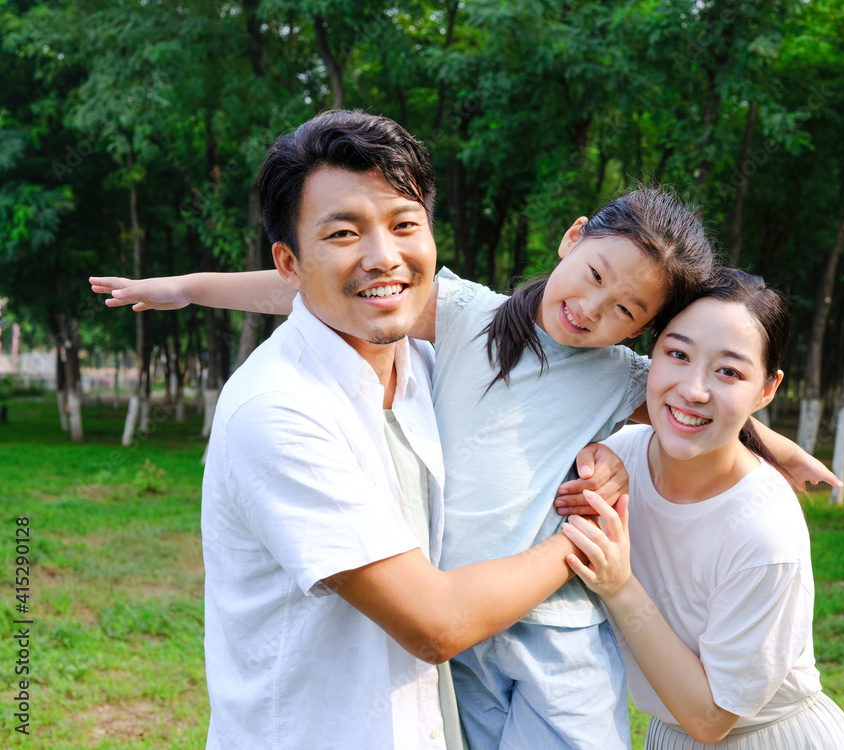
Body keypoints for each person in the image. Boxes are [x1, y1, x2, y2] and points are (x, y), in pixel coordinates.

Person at [94, 189, 840, 749]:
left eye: (625, 309)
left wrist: (786, 452)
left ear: (644, 328)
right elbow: (307, 288)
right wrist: (185, 289)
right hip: (465, 625)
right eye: (593, 275)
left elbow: (706, 405)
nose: (592, 309)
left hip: (558, 631)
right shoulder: (462, 316)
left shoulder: (620, 375)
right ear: (571, 239)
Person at [95, 109, 632, 750]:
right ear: (289, 262)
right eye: (344, 233)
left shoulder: (427, 368)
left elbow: (624, 402)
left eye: (404, 225)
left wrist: (609, 453)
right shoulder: (279, 411)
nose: (384, 258)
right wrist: (583, 540)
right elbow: (437, 623)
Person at [559, 268, 844, 749]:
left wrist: (620, 587)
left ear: (767, 389)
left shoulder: (765, 531)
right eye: (677, 354)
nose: (693, 389)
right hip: (668, 734)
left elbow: (710, 719)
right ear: (650, 357)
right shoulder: (621, 454)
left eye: (729, 371)